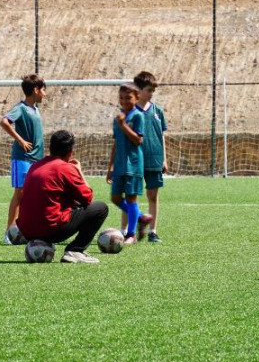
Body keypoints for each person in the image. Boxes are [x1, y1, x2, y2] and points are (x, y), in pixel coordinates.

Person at [16, 130, 108, 263]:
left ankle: (42, 243)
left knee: (71, 205)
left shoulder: (35, 166)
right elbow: (87, 198)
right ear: (70, 152)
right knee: (100, 208)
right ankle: (75, 250)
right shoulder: (65, 168)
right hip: (50, 229)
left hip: (26, 230)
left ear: (50, 148)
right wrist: (79, 171)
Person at [0, 74, 46, 244]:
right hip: (23, 159)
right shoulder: (21, 108)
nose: (45, 94)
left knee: (33, 196)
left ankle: (28, 230)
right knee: (19, 195)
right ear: (35, 90)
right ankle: (9, 232)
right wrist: (20, 140)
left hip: (36, 160)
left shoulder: (35, 109)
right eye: (43, 90)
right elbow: (4, 122)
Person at [106, 84, 145, 244]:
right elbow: (115, 144)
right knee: (115, 198)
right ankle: (141, 217)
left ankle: (131, 235)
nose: (124, 101)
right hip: (120, 164)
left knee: (130, 199)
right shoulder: (118, 118)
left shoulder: (137, 116)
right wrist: (110, 167)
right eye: (121, 98)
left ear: (136, 98)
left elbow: (138, 140)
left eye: (128, 98)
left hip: (133, 164)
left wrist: (123, 125)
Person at [132, 71, 166, 242]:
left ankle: (153, 231)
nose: (151, 93)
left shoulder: (157, 111)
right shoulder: (131, 112)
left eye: (153, 90)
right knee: (133, 195)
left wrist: (164, 159)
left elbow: (162, 135)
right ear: (138, 90)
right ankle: (133, 227)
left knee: (153, 195)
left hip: (155, 158)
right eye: (148, 90)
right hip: (136, 160)